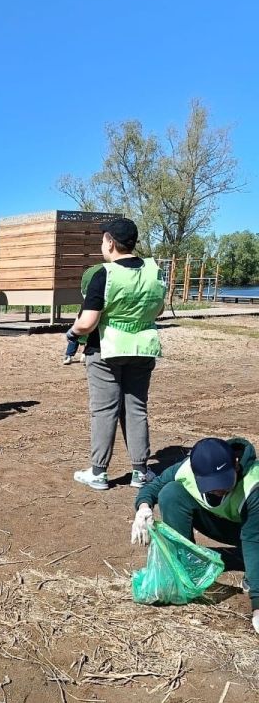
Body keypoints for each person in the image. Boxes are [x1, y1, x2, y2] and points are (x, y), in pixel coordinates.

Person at [68, 218, 165, 491]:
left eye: (102, 240)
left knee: (104, 410)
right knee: (136, 409)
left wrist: (72, 334)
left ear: (110, 241)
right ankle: (140, 472)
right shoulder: (153, 272)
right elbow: (157, 311)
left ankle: (99, 472)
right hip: (143, 349)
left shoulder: (104, 274)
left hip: (106, 351)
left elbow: (88, 322)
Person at [131, 437, 259, 633]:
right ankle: (186, 567)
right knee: (171, 493)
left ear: (235, 463)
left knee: (252, 564)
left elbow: (253, 540)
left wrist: (257, 605)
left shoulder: (253, 484)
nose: (220, 488)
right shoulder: (186, 469)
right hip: (225, 523)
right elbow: (154, 486)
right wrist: (143, 507)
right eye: (212, 483)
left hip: (252, 526)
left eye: (225, 480)